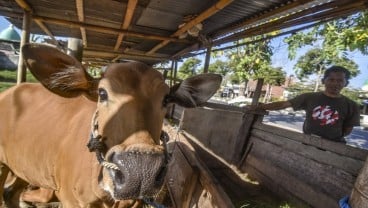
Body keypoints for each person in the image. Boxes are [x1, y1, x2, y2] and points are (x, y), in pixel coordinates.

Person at [248, 65, 360, 143]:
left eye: (340, 80)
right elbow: (283, 105)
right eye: (331, 79)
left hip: (335, 147)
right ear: (323, 81)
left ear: (346, 83)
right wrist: (259, 107)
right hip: (307, 141)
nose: (335, 83)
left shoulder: (352, 105)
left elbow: (347, 131)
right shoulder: (309, 97)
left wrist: (327, 140)